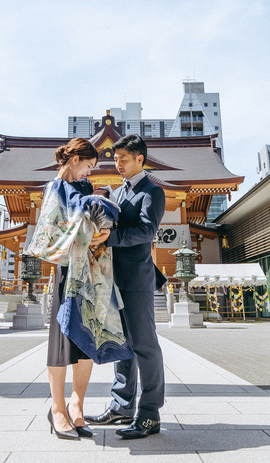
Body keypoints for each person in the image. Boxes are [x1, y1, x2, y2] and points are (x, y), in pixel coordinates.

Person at [25, 138, 128, 440]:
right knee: (61, 344)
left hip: (91, 275)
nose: (89, 172)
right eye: (88, 165)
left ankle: (77, 406)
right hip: (67, 273)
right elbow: (51, 231)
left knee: (86, 343)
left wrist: (103, 232)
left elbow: (94, 219)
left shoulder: (86, 190)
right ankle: (57, 409)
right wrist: (82, 232)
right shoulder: (52, 189)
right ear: (73, 160)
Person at [86, 134, 167, 439]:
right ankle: (122, 407)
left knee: (144, 346)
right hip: (112, 280)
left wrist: (111, 237)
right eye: (115, 159)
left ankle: (149, 414)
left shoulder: (152, 192)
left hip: (136, 281)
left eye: (123, 159)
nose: (117, 163)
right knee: (122, 345)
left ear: (140, 160)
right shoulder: (117, 193)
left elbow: (147, 231)